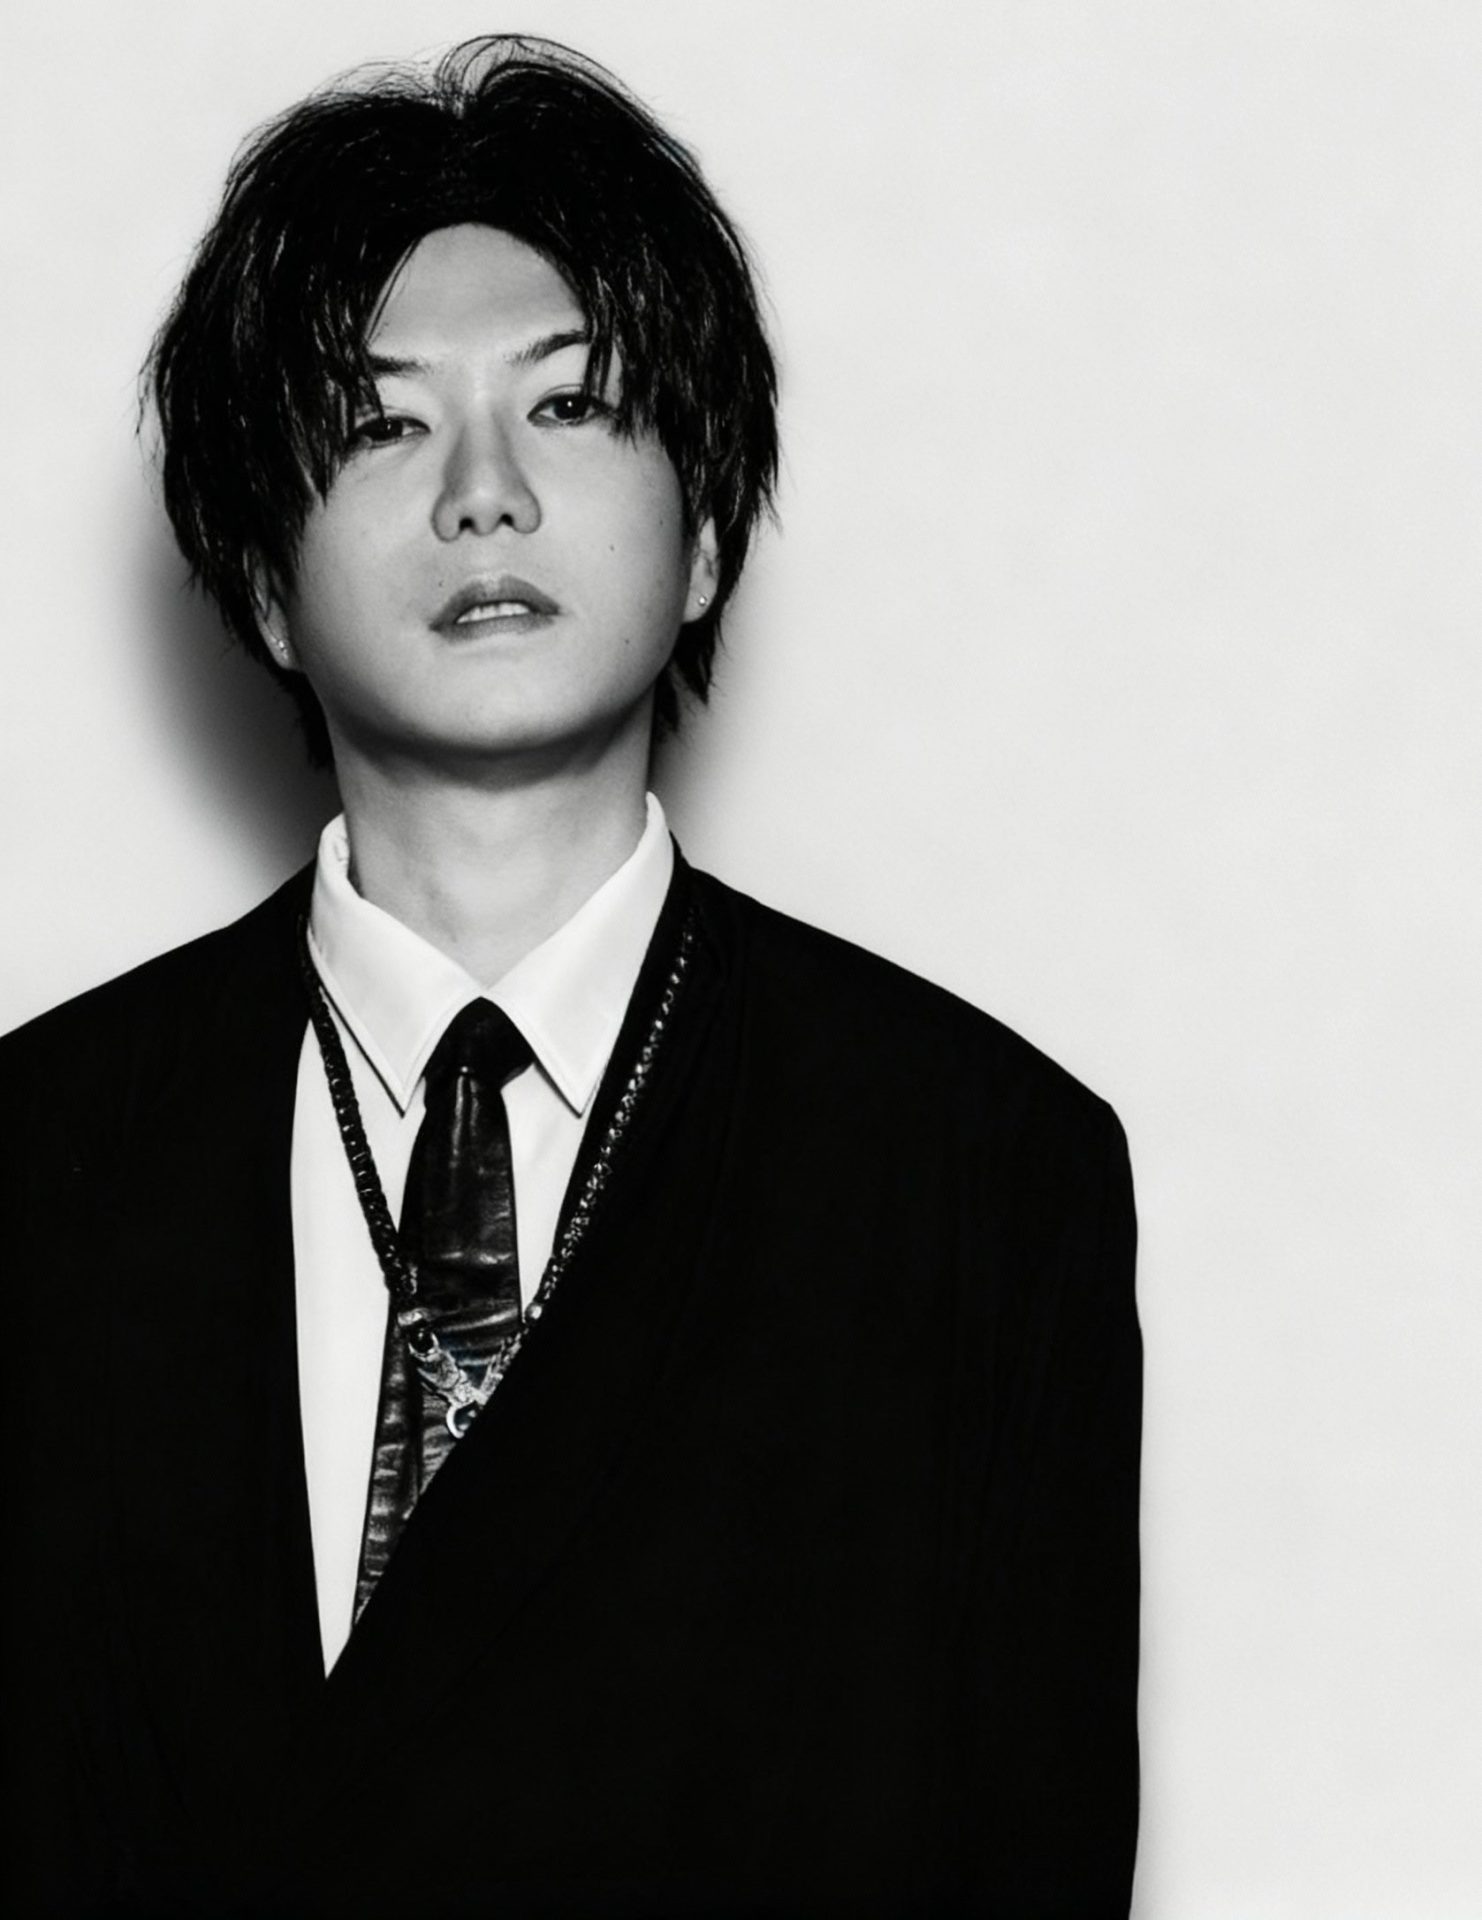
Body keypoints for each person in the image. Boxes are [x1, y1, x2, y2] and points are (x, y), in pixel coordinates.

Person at [1, 34, 1141, 1919]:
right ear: (263, 582)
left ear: (705, 537)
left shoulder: (976, 1174)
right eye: (380, 425)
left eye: (572, 402)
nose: (484, 494)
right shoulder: (36, 1168)